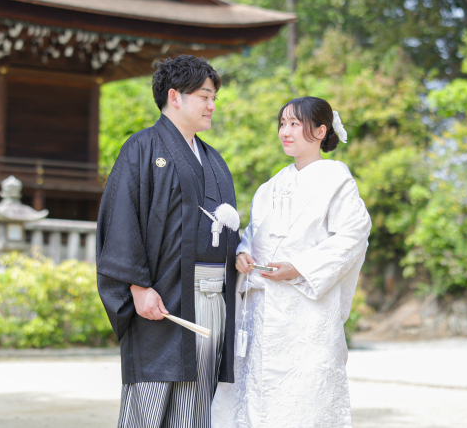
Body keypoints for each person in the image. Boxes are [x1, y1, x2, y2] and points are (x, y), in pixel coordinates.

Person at [96, 55, 240, 428]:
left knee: (196, 407)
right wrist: (138, 286)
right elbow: (121, 219)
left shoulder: (214, 160)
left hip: (210, 301)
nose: (212, 105)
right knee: (151, 403)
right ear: (174, 97)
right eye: (205, 96)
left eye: (213, 98)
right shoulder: (141, 148)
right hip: (162, 299)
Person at [212, 96, 372, 428]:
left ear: (320, 131)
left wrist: (299, 267)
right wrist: (243, 253)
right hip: (264, 306)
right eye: (282, 124)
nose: (286, 131)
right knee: (259, 394)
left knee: (305, 396)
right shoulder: (269, 187)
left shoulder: (337, 180)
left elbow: (353, 235)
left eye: (295, 124)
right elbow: (252, 232)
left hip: (307, 308)